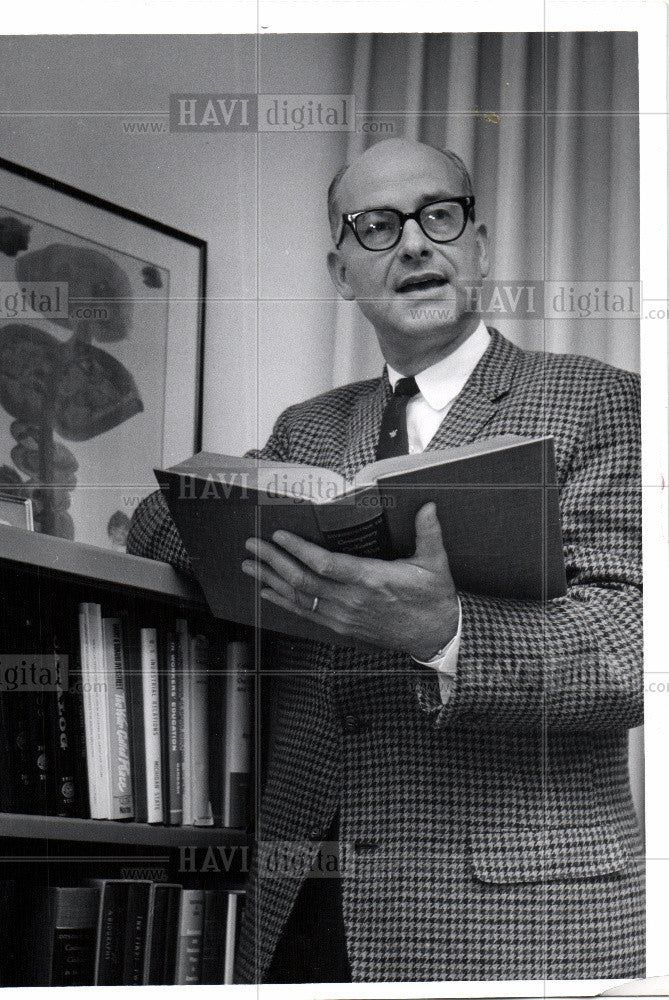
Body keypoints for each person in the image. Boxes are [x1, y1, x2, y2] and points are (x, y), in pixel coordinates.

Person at [126, 138, 644, 983]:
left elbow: (630, 651)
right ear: (341, 272)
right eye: (374, 226)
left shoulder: (606, 402)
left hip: (519, 909)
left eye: (437, 215)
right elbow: (159, 520)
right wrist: (236, 534)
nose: (411, 243)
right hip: (305, 896)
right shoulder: (309, 430)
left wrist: (443, 631)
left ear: (476, 247)